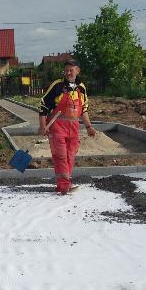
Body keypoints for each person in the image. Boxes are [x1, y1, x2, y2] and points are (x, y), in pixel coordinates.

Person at [39, 59, 97, 194]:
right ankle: (66, 186)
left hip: (74, 126)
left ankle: (62, 184)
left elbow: (84, 110)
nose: (68, 73)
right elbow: (43, 106)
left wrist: (89, 127)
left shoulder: (81, 88)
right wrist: (43, 126)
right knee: (60, 155)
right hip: (57, 125)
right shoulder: (57, 85)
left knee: (70, 155)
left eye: (71, 70)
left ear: (78, 71)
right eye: (66, 71)